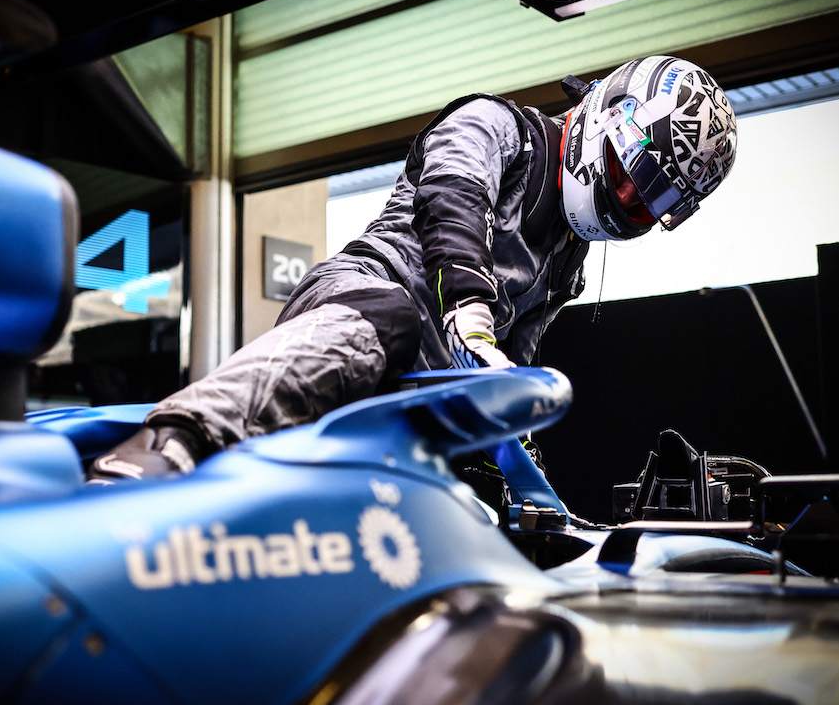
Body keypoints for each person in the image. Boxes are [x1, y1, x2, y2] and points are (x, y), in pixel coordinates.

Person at [89, 55, 739, 481]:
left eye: (652, 201)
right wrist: (472, 319)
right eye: (635, 177)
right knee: (393, 317)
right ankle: (169, 441)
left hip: (422, 396)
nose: (629, 201)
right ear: (610, 117)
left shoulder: (570, 260)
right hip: (357, 307)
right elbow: (451, 203)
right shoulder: (494, 125)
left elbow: (512, 364)